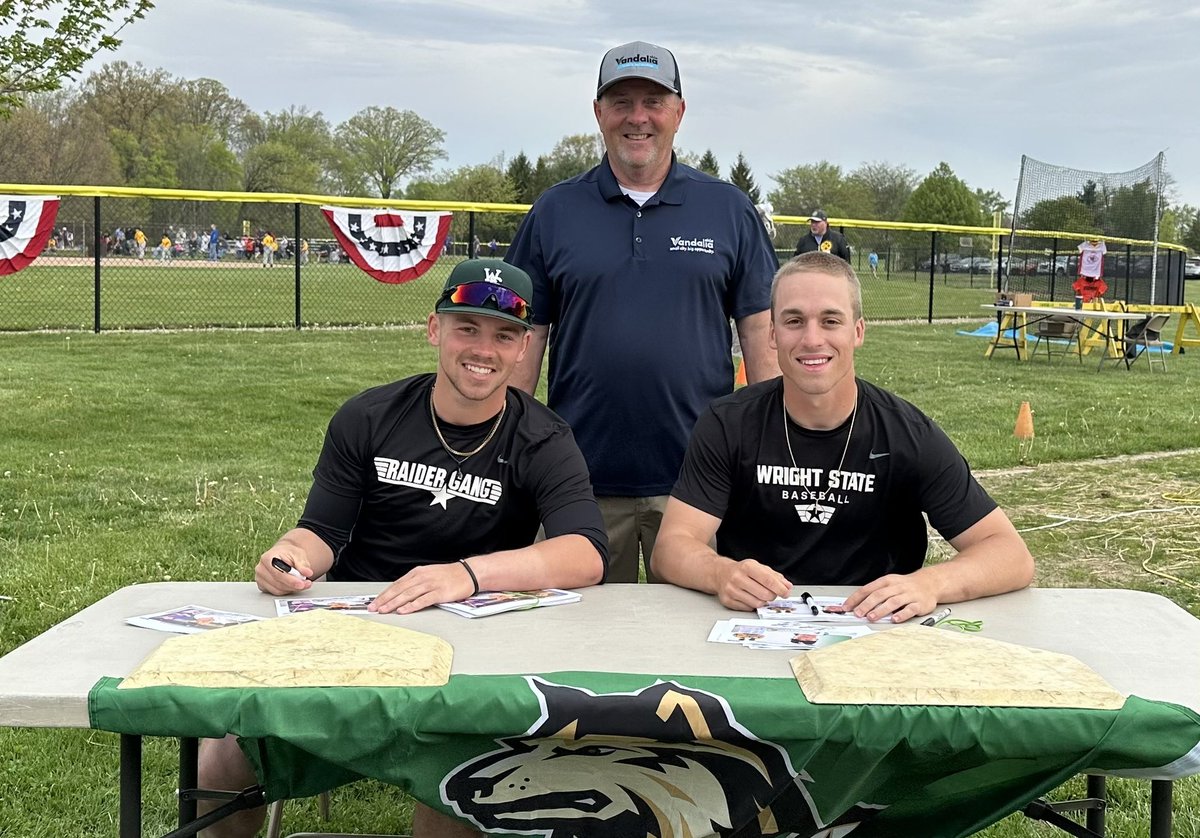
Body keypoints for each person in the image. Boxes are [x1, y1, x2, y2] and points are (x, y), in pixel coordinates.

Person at [196, 258, 609, 838]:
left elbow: (586, 553)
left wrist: (464, 575)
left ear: (522, 349)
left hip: (473, 639)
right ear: (435, 329)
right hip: (357, 624)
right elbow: (321, 532)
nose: (483, 349)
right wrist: (288, 557)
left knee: (459, 790)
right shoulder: (369, 416)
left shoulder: (542, 436)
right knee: (222, 756)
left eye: (503, 335)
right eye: (467, 328)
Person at [506, 40, 779, 584]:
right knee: (579, 642)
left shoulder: (727, 208)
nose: (638, 117)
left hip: (698, 485)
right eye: (621, 101)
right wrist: (508, 442)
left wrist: (771, 449)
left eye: (653, 101)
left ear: (678, 112)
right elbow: (525, 334)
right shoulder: (556, 209)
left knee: (692, 643)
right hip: (577, 480)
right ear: (598, 113)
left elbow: (762, 332)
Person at [651, 252, 1034, 621]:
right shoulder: (728, 423)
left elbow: (1010, 555)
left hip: (874, 627)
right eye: (794, 321)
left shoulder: (906, 433)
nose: (812, 339)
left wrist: (930, 583)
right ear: (772, 334)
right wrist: (720, 573)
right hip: (760, 621)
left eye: (830, 321)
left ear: (858, 331)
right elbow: (671, 548)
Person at [1074, 238, 1107, 302]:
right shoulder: (1085, 244)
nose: (1094, 243)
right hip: (1085, 270)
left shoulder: (1102, 245)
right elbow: (1077, 290)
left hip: (1095, 272)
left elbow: (1103, 289)